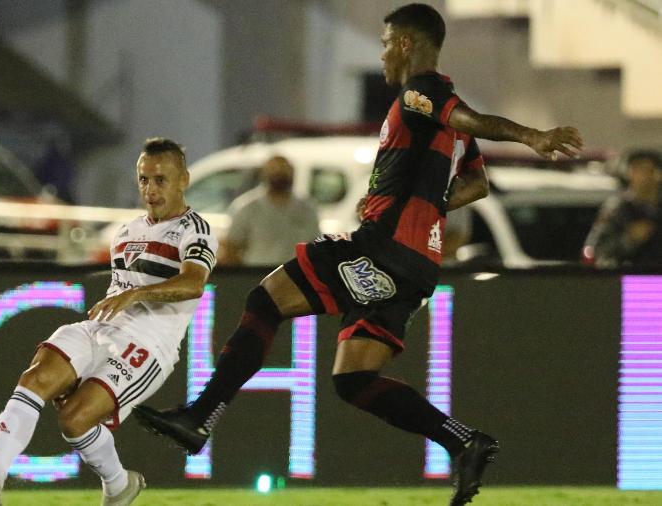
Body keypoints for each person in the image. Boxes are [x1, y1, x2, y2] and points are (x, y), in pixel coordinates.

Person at [133, 4, 583, 506]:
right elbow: (476, 183)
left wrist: (531, 136)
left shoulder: (423, 92)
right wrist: (426, 203)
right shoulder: (445, 121)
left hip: (381, 249)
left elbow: (469, 117)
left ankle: (200, 416)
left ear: (408, 44)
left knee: (266, 300)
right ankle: (463, 440)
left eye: (388, 41)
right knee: (354, 379)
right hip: (416, 267)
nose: (385, 52)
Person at [0, 137, 218, 506]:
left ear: (183, 180)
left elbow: (193, 283)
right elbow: (120, 288)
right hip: (99, 329)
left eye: (161, 179)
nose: (150, 189)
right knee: (35, 380)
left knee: (74, 420)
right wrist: (120, 302)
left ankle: (118, 484)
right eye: (143, 179)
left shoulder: (197, 229)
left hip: (148, 345)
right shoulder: (127, 232)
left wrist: (136, 294)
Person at [220, 155, 320, 266]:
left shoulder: (307, 208)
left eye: (283, 171)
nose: (279, 175)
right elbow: (231, 246)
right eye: (274, 171)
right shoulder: (246, 207)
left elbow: (314, 245)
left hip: (295, 276)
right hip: (256, 275)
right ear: (264, 174)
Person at [583, 150, 662, 268]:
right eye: (637, 171)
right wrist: (630, 239)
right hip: (632, 281)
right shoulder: (618, 209)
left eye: (648, 170)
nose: (643, 177)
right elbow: (598, 250)